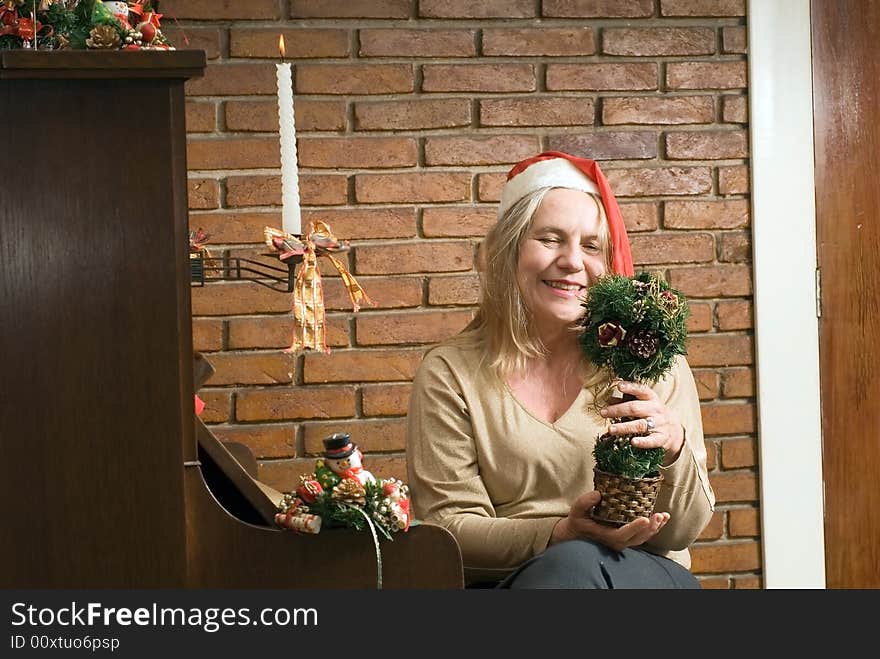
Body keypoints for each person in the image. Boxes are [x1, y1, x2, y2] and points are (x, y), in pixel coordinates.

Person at [405, 151, 715, 589]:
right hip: (514, 584)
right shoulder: (451, 374)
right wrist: (558, 535)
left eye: (591, 246)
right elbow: (449, 531)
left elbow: (684, 530)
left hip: (641, 575)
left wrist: (674, 448)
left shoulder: (652, 363)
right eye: (550, 239)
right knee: (568, 568)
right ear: (509, 251)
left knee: (576, 568)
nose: (572, 261)